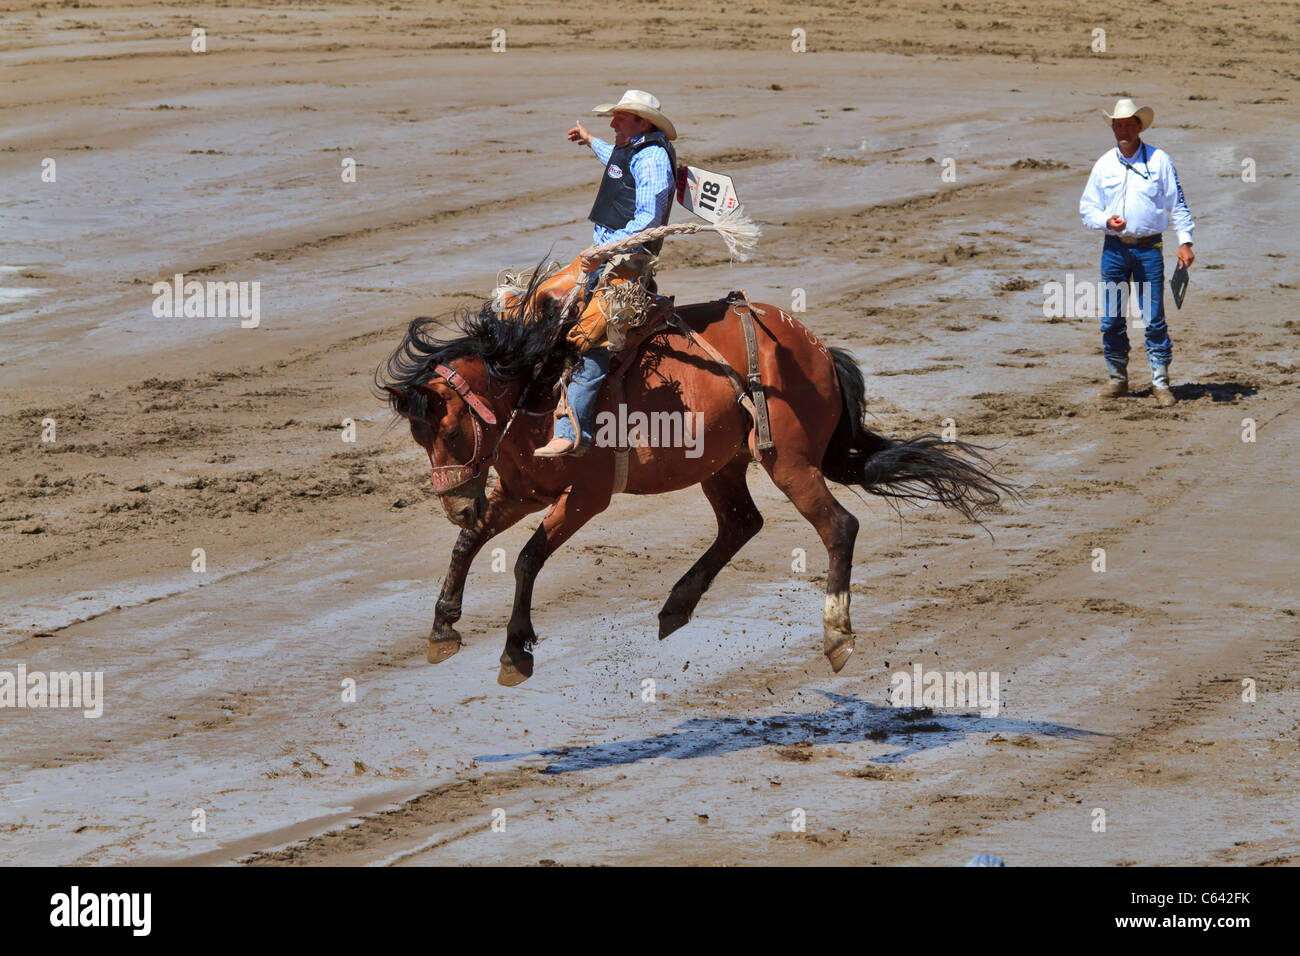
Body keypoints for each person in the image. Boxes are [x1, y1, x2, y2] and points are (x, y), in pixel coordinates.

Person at [533, 90, 678, 457]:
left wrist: (605, 251)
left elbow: (649, 219)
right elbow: (615, 162)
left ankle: (572, 431)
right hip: (601, 259)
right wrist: (589, 141)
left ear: (642, 123)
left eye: (620, 118)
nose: (612, 123)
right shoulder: (632, 148)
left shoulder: (652, 160)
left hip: (628, 265)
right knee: (542, 300)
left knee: (592, 336)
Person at [1079, 99, 1195, 407]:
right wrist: (1107, 221)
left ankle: (1160, 382)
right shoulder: (1103, 164)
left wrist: (1186, 242)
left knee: (1153, 319)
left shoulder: (1159, 161)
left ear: (1139, 126)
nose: (1124, 130)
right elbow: (1087, 208)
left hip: (1150, 250)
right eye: (1119, 125)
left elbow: (1178, 204)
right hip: (1114, 251)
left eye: (1130, 124)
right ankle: (1118, 380)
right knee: (1111, 319)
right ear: (1114, 128)